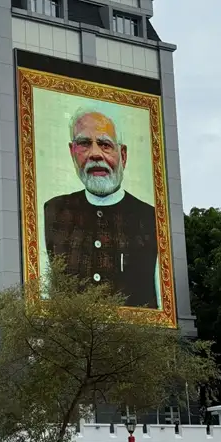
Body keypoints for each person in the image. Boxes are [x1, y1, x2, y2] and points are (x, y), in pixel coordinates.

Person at [42, 107, 160, 309]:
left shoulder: (150, 218)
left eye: (105, 145)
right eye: (84, 144)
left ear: (123, 155)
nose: (95, 154)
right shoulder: (53, 211)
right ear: (72, 152)